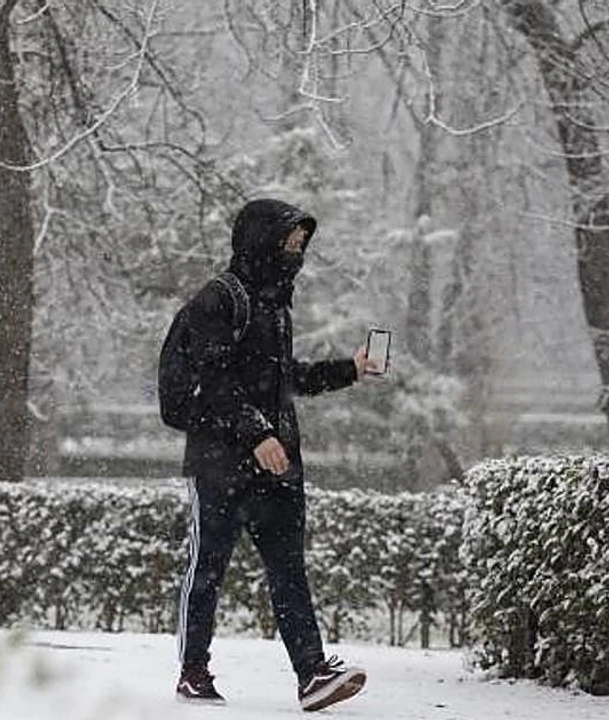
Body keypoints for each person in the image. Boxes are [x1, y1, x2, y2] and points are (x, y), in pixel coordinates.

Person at [167, 198, 377, 712]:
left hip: (276, 465)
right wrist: (257, 433)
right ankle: (193, 672)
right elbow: (212, 382)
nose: (297, 252)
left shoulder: (276, 306)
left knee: (288, 571)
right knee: (208, 567)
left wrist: (348, 369)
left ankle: (312, 675)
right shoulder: (219, 299)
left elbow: (284, 379)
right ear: (261, 240)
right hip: (221, 463)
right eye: (290, 242)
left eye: (302, 244)